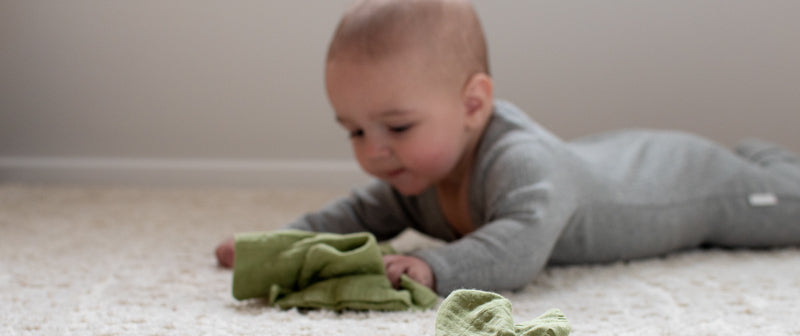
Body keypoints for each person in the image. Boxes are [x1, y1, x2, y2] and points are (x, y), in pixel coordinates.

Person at [216, 0, 800, 296]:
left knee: (786, 206)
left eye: (396, 127)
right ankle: (757, 152)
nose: (375, 152)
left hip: (683, 182)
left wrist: (433, 266)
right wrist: (280, 245)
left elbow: (521, 248)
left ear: (473, 105)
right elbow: (355, 215)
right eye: (354, 131)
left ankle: (764, 164)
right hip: (606, 156)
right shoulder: (416, 176)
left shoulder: (518, 162)